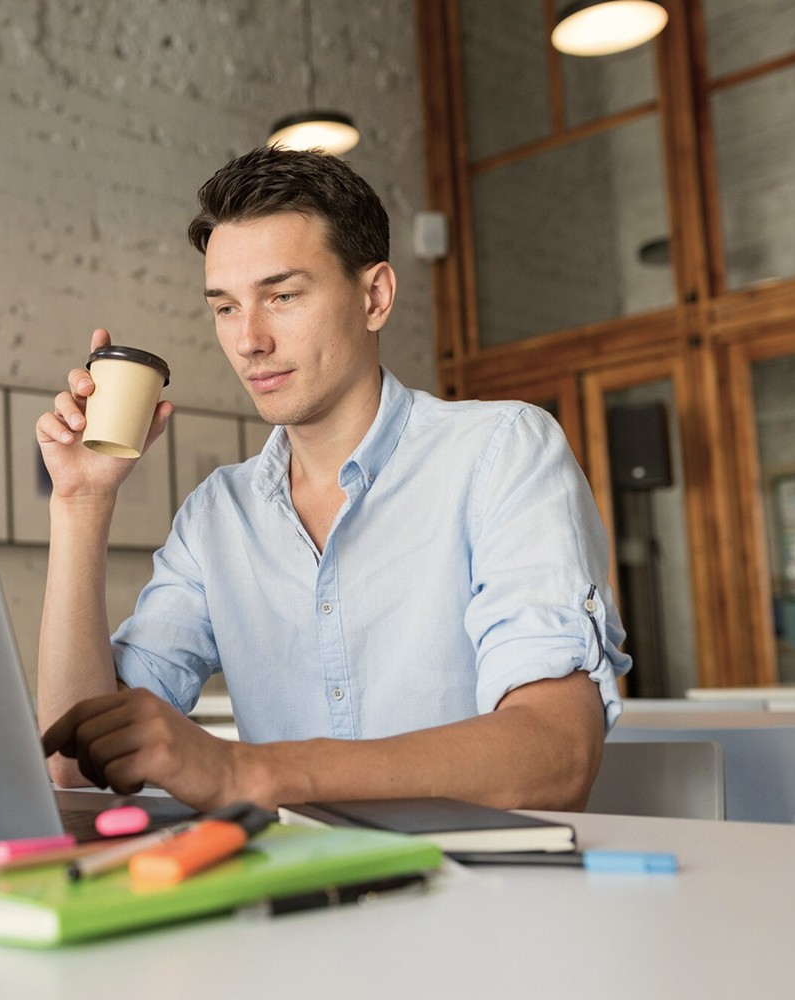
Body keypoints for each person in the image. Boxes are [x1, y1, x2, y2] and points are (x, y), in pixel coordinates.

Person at [35, 145, 631, 813]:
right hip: (288, 906)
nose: (248, 340)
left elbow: (556, 755)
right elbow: (74, 764)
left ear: (374, 296)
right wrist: (81, 503)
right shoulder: (217, 517)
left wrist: (249, 772)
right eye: (225, 307)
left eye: (282, 296)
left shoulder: (502, 452)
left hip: (477, 898)